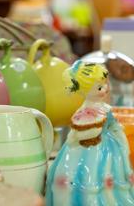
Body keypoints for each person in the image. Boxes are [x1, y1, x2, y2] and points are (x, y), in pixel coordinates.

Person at [46, 61, 134, 206]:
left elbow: (112, 123)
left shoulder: (105, 108)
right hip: (86, 150)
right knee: (86, 174)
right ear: (85, 91)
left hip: (109, 148)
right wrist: (79, 136)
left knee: (112, 173)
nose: (105, 89)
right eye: (100, 87)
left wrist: (117, 132)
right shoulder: (83, 113)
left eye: (105, 84)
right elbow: (77, 133)